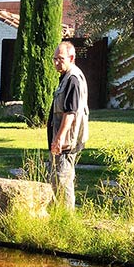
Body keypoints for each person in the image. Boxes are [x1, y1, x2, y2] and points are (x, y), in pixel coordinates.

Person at [48, 40, 89, 210]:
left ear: (71, 58)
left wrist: (59, 139)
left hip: (67, 142)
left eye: (61, 59)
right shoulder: (65, 76)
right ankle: (58, 215)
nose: (57, 62)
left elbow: (70, 113)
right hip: (62, 139)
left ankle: (66, 218)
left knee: (62, 179)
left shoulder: (73, 79)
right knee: (58, 178)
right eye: (55, 58)